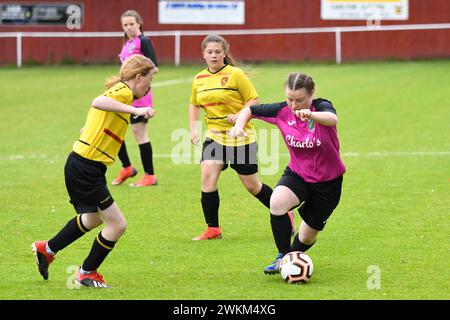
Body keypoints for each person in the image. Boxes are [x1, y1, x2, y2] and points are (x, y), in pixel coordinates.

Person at [32, 55, 157, 288]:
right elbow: (98, 101)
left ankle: (46, 249)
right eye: (148, 82)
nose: (149, 88)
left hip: (85, 165)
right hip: (85, 167)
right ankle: (87, 273)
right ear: (138, 77)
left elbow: (97, 121)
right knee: (117, 225)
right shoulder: (123, 93)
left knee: (92, 219)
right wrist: (135, 110)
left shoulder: (120, 92)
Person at [229, 72, 346, 274]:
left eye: (299, 100)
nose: (293, 105)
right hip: (298, 174)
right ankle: (283, 257)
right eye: (289, 99)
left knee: (308, 236)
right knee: (276, 202)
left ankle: (293, 258)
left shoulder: (321, 106)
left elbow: (332, 119)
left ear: (311, 94)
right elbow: (250, 110)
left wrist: (310, 114)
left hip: (328, 182)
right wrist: (239, 126)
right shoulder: (282, 111)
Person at [189, 34, 295, 241]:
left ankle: (285, 212)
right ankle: (213, 229)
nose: (213, 55)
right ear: (203, 54)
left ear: (224, 53)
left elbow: (253, 100)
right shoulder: (199, 79)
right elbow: (194, 104)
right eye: (209, 52)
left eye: (218, 52)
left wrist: (239, 116)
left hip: (241, 138)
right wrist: (193, 128)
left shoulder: (235, 74)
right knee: (207, 180)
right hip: (214, 137)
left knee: (252, 186)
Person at [112, 10, 159, 187]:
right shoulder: (127, 43)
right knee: (115, 129)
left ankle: (150, 175)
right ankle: (127, 167)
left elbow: (153, 67)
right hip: (125, 94)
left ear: (139, 23)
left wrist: (137, 81)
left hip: (139, 96)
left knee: (139, 133)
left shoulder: (144, 41)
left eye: (132, 23)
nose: (129, 27)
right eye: (125, 25)